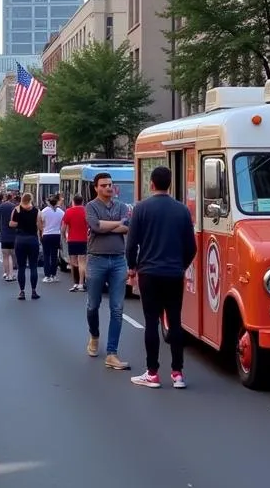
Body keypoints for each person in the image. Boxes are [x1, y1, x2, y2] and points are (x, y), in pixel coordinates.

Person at [125, 166, 196, 388]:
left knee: (151, 321)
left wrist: (132, 267)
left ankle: (153, 372)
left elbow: (132, 243)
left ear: (151, 184)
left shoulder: (141, 209)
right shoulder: (182, 210)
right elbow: (191, 247)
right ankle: (178, 373)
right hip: (174, 273)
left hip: (149, 273)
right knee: (175, 322)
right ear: (170, 184)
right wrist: (181, 266)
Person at [85, 172, 131, 370]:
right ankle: (94, 335)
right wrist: (117, 225)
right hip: (97, 259)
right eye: (103, 185)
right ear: (96, 188)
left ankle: (112, 353)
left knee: (117, 309)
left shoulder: (122, 206)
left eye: (110, 185)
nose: (108, 188)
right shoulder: (91, 206)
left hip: (119, 260)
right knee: (93, 305)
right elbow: (95, 226)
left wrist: (108, 226)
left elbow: (127, 227)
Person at [9, 192, 41, 301]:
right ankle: (33, 291)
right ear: (31, 199)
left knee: (21, 267)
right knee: (33, 266)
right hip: (32, 239)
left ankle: (22, 291)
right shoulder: (37, 211)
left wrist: (19, 223)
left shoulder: (16, 209)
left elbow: (11, 224)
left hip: (20, 239)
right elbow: (40, 225)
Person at [61, 193, 89, 291]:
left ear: (73, 202)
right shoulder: (86, 211)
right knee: (82, 262)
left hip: (72, 240)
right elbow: (90, 226)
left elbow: (63, 229)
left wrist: (65, 237)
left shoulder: (68, 211)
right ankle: (82, 283)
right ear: (82, 202)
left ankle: (75, 283)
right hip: (83, 240)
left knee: (73, 262)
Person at [39, 194, 64, 284]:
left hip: (46, 234)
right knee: (54, 256)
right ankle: (54, 275)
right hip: (57, 235)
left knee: (46, 255)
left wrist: (41, 232)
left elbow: (40, 223)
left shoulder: (44, 211)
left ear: (48, 202)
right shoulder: (61, 212)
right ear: (57, 202)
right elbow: (62, 224)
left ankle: (47, 275)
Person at [0, 192, 17, 281]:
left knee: (5, 255)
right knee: (13, 255)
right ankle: (12, 274)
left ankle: (6, 273)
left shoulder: (1, 206)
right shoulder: (15, 207)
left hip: (4, 234)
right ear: (12, 197)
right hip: (13, 234)